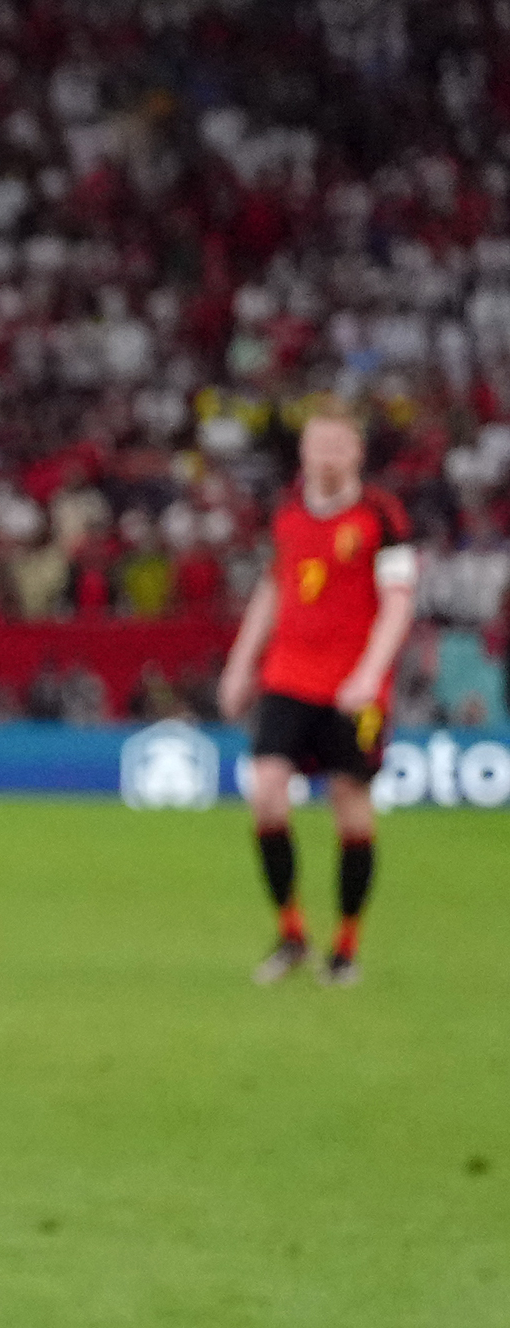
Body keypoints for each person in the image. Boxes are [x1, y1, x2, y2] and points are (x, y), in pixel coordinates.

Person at [216, 408, 417, 988]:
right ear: (302, 454)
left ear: (356, 454)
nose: (325, 456)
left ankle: (346, 945)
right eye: (316, 446)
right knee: (267, 795)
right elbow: (273, 588)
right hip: (288, 676)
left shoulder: (381, 515)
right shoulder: (288, 512)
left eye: (336, 445)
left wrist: (369, 674)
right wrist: (239, 664)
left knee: (350, 804)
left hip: (355, 686)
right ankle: (292, 933)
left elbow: (399, 603)